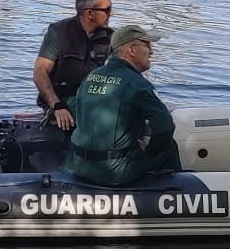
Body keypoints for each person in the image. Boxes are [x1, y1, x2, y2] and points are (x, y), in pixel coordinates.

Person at [64, 25, 180, 187]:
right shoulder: (137, 83)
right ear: (131, 50)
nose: (151, 52)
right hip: (113, 172)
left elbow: (75, 106)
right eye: (147, 45)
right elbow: (165, 126)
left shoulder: (92, 75)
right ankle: (176, 193)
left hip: (77, 165)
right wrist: (150, 149)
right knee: (168, 146)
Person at [34, 0, 115, 131]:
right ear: (90, 14)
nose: (111, 14)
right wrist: (57, 106)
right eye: (107, 10)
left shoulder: (110, 38)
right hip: (59, 101)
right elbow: (40, 73)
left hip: (91, 102)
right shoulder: (59, 32)